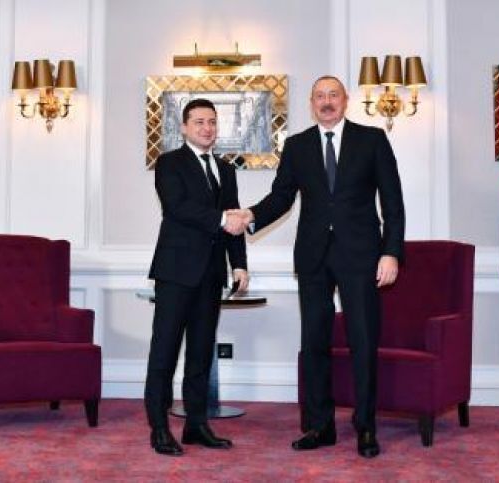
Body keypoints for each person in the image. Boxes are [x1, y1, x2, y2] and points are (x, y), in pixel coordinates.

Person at [227, 76, 405, 458]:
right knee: (313, 343)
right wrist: (251, 215)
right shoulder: (297, 145)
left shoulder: (372, 140)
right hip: (313, 257)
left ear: (345, 100)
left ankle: (366, 427)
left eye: (333, 95)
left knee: (362, 341)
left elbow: (393, 203)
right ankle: (320, 426)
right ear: (312, 103)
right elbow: (281, 197)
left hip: (361, 257)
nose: (327, 102)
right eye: (320, 96)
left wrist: (391, 253)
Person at [145, 98, 250, 456]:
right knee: (164, 352)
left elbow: (234, 222)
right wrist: (223, 219)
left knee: (201, 354)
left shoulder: (226, 169)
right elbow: (177, 207)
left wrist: (239, 265)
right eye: (200, 122)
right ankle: (159, 428)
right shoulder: (169, 163)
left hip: (211, 274)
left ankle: (196, 424)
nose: (207, 128)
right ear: (184, 127)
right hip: (176, 272)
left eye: (212, 122)